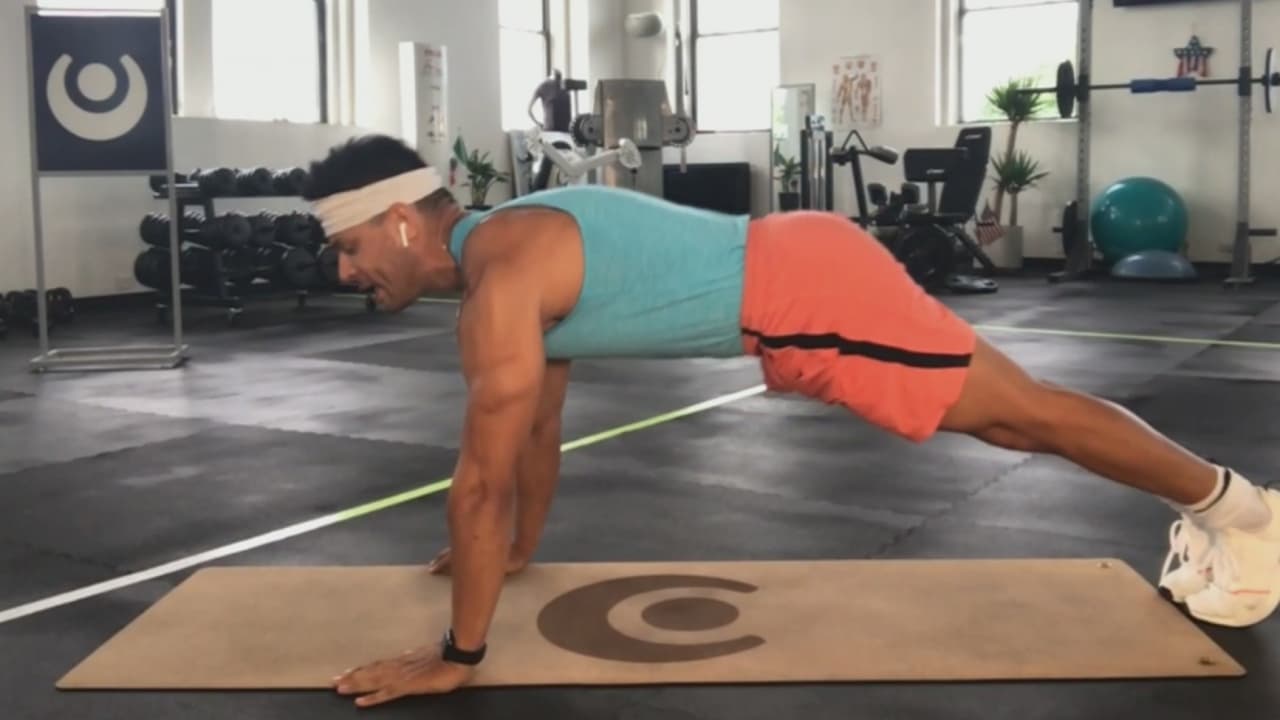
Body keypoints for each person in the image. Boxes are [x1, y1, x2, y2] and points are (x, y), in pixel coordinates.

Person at [302, 134, 1280, 708]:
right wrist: (519, 551)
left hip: (808, 297)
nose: (347, 273)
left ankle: (1245, 516)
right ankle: (1226, 509)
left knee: (1021, 421)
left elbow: (479, 479)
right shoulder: (513, 244)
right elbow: (536, 430)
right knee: (1020, 419)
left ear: (400, 220)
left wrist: (458, 655)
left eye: (348, 247)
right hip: (800, 276)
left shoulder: (501, 283)